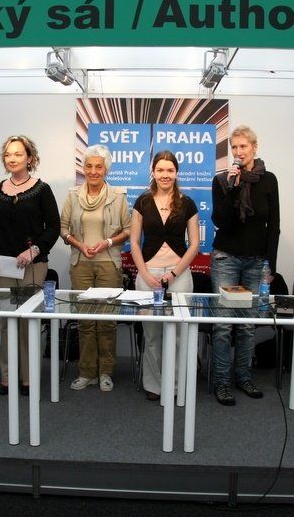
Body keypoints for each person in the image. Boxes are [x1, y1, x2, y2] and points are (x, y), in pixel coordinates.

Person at [0, 134, 60, 396]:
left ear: (30, 158)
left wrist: (33, 250)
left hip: (32, 267)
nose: (12, 158)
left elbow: (54, 228)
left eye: (18, 154)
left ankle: (28, 378)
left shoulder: (42, 189)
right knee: (6, 322)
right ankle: (8, 376)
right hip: (2, 268)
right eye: (8, 154)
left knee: (27, 322)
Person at [209, 125, 280, 406]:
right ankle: (222, 382)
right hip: (226, 258)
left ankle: (244, 377)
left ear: (254, 148)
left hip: (255, 262)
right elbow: (221, 221)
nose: (238, 152)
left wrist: (269, 265)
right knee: (224, 326)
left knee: (248, 325)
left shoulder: (269, 180)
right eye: (234, 148)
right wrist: (232, 188)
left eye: (243, 147)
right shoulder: (222, 180)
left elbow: (273, 225)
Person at [61, 144, 132, 392]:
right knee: (86, 321)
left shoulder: (118, 196)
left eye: (98, 166)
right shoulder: (72, 195)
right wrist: (80, 245)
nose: (93, 171)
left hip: (108, 264)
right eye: (89, 166)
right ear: (84, 168)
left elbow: (128, 230)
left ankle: (105, 372)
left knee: (106, 321)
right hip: (80, 264)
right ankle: (87, 371)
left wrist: (108, 242)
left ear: (106, 169)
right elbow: (63, 229)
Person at [131, 151, 199, 401]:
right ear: (153, 173)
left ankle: (177, 386)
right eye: (160, 170)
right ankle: (154, 385)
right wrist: (145, 273)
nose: (165, 175)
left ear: (176, 173)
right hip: (147, 276)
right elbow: (134, 242)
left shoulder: (188, 203)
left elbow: (194, 244)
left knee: (181, 335)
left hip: (179, 277)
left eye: (170, 170)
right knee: (151, 335)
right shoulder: (142, 202)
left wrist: (173, 274)